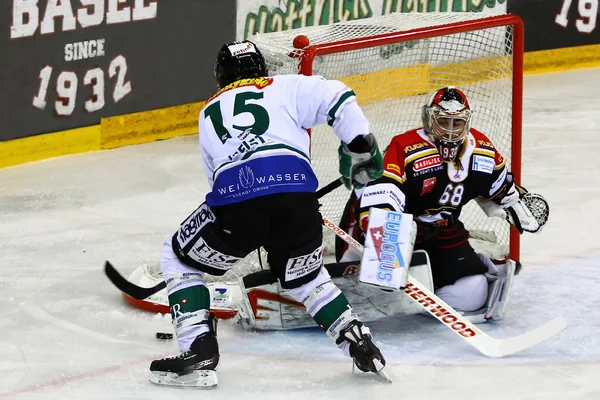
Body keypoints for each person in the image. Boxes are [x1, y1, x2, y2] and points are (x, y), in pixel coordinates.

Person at [148, 40, 387, 387]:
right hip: (298, 201)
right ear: (262, 69)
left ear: (220, 77)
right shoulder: (286, 85)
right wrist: (359, 145)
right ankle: (359, 341)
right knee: (305, 277)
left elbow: (217, 175)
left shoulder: (208, 111)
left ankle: (197, 348)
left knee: (178, 258)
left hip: (237, 202)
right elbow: (338, 96)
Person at [335, 87, 547, 322]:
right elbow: (381, 201)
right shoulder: (406, 147)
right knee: (381, 262)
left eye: (457, 123)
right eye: (443, 121)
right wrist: (388, 246)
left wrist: (515, 203)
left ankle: (425, 288)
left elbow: (502, 190)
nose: (449, 130)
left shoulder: (482, 152)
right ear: (429, 119)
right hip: (388, 231)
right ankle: (383, 280)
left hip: (439, 232)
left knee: (472, 294)